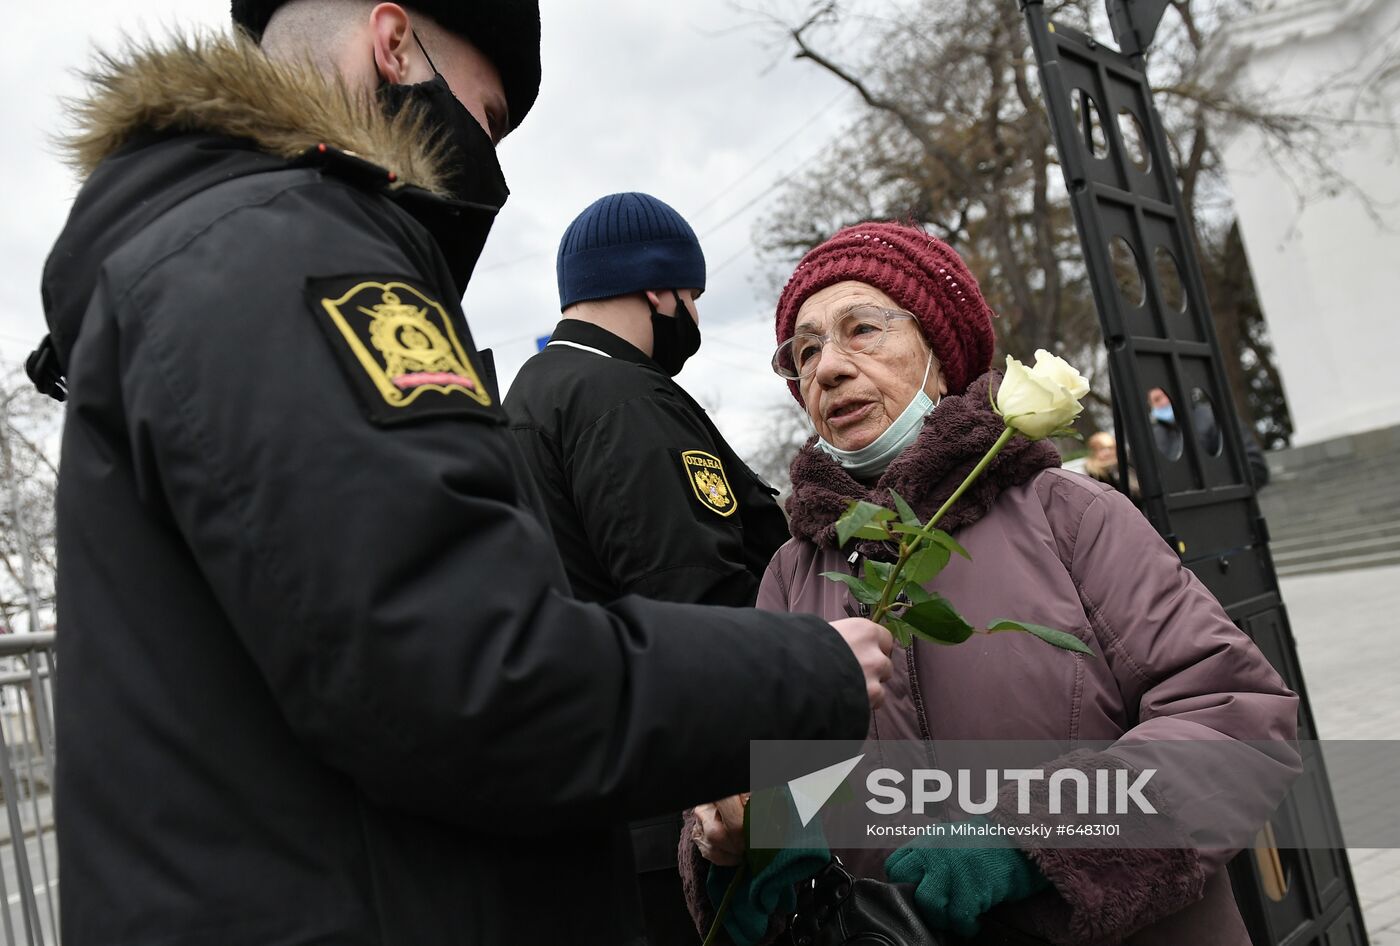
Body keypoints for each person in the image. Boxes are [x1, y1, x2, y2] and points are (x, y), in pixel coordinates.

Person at [34, 5, 897, 945]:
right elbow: (471, 673)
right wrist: (809, 675)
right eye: (487, 120)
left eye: (867, 331)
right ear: (395, 44)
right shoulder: (294, 252)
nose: (487, 167)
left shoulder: (228, 256)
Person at [681, 222, 1300, 945]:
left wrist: (1028, 840)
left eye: (862, 330)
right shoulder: (793, 571)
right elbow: (780, 785)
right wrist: (742, 845)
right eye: (806, 351)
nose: (827, 370)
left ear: (943, 361)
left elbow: (1236, 723)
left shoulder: (1068, 514)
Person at [505, 192, 793, 943]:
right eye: (692, 298)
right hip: (682, 819)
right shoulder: (624, 399)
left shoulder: (530, 397)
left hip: (587, 805)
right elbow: (697, 605)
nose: (693, 319)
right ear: (658, 289)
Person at [1148, 386, 1270, 488]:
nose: (1165, 401)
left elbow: (1255, 466)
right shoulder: (1153, 437)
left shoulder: (1213, 417)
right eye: (1157, 399)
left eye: (1166, 394)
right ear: (1151, 406)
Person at [1084, 430, 1140, 499]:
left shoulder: (1126, 463)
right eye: (1101, 449)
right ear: (1094, 452)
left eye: (1110, 448)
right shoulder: (1095, 473)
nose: (1107, 452)